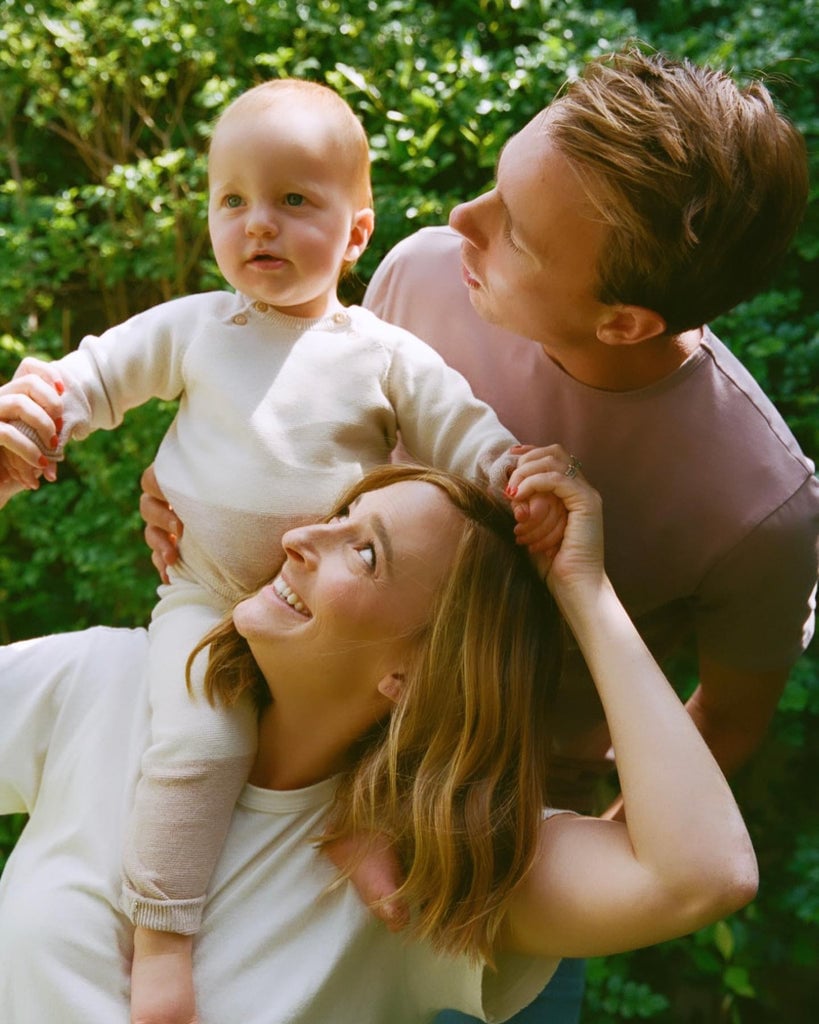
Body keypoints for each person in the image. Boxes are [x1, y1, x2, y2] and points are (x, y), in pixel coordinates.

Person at [136, 49, 819, 1024]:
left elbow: (725, 724)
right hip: (282, 775)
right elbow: (312, 448)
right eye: (495, 185)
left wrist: (561, 890)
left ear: (624, 319)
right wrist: (191, 484)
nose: (463, 220)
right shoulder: (427, 274)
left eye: (519, 233)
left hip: (476, 861)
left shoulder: (760, 506)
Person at [0, 79, 565, 1024]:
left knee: (397, 724)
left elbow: (466, 438)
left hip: (334, 625)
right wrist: (41, 411)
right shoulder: (196, 327)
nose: (257, 224)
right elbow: (95, 374)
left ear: (355, 233)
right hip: (208, 596)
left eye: (294, 202)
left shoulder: (383, 355)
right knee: (201, 735)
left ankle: (380, 860)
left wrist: (524, 478)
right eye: (233, 201)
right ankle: (164, 946)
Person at [0, 383, 758, 1022]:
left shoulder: (418, 873)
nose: (301, 538)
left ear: (416, 674)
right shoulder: (109, 682)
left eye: (363, 553)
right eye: (333, 517)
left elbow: (701, 876)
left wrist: (583, 591)